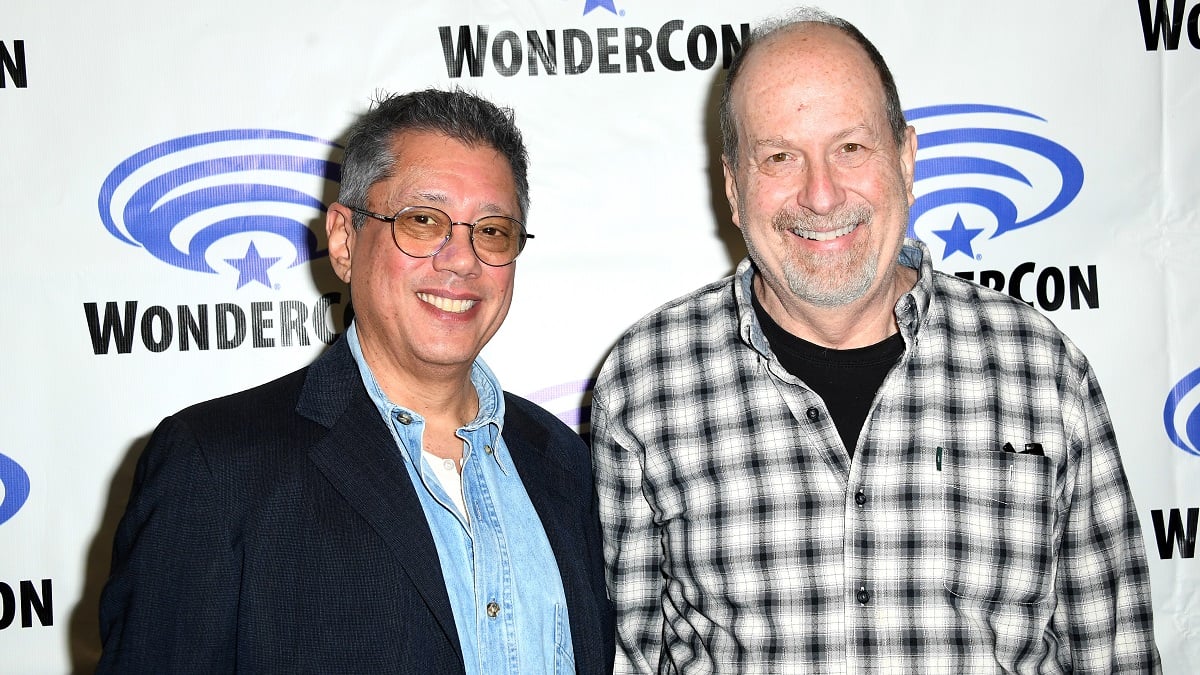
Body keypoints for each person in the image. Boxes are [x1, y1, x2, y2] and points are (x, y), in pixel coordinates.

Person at [591, 7, 1160, 674]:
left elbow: (1118, 656)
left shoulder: (1042, 371)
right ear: (734, 188)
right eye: (779, 156)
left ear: (907, 158)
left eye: (851, 148)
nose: (822, 194)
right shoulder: (644, 386)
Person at [98, 88, 614, 674]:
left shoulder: (563, 464)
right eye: (423, 221)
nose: (462, 260)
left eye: (492, 230)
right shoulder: (216, 468)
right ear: (344, 240)